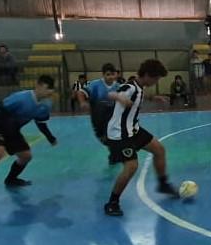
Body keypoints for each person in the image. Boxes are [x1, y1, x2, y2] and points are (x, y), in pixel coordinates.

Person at [104, 59, 194, 217]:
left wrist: (153, 98)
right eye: (156, 78)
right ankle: (112, 202)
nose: (157, 81)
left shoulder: (140, 87)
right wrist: (118, 98)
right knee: (131, 166)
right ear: (147, 75)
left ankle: (163, 184)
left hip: (134, 129)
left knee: (159, 149)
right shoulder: (129, 86)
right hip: (120, 134)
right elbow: (111, 93)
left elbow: (138, 96)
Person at [0, 74, 59, 199]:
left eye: (51, 89)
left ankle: (11, 179)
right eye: (46, 88)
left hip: (11, 130)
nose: (49, 92)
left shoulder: (46, 104)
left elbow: (41, 122)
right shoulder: (21, 98)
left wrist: (50, 137)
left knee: (26, 156)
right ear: (38, 86)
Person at [77, 63, 121, 163]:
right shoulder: (95, 85)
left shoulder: (119, 86)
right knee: (103, 138)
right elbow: (80, 92)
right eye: (108, 74)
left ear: (116, 74)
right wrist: (83, 102)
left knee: (114, 136)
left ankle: (114, 153)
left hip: (112, 117)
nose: (110, 77)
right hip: (98, 117)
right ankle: (112, 150)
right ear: (103, 75)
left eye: (112, 74)